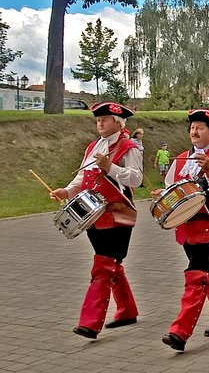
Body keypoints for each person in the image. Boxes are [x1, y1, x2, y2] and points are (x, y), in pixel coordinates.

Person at [49, 102, 142, 339]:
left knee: (102, 266)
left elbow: (136, 179)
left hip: (119, 212)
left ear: (118, 122)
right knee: (111, 263)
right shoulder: (93, 146)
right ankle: (127, 311)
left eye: (104, 119)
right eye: (97, 120)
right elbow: (82, 176)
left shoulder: (129, 147)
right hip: (94, 214)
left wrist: (110, 167)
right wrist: (66, 192)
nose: (99, 123)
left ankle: (90, 323)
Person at [156, 108, 209, 351]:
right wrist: (162, 196)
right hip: (185, 226)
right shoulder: (181, 158)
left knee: (195, 274)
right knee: (206, 272)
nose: (194, 131)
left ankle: (180, 332)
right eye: (192, 127)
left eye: (200, 127)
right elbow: (171, 188)